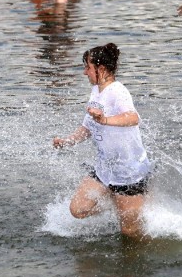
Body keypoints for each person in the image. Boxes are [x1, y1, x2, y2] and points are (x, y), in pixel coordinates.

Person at [53, 43, 151, 239]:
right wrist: (67, 142)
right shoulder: (96, 91)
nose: (84, 72)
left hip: (127, 172)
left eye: (88, 67)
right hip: (105, 167)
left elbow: (133, 118)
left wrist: (105, 119)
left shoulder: (117, 90)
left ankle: (135, 205)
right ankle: (116, 203)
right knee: (78, 210)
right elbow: (88, 127)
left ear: (102, 69)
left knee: (130, 233)